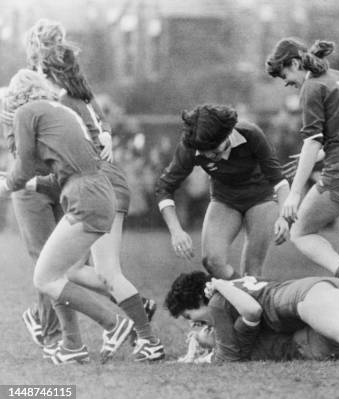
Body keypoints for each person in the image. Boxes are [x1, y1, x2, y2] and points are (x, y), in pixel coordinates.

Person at [17, 19, 163, 363]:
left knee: (75, 272)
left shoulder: (58, 103)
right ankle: (141, 328)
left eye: (37, 67)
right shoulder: (81, 95)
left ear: (45, 70)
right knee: (76, 270)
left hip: (97, 183)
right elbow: (99, 130)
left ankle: (126, 329)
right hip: (105, 181)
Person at [0, 69, 134, 364]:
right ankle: (73, 348)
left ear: (17, 96)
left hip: (85, 197)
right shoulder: (62, 112)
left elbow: (22, 167)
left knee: (45, 278)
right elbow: (59, 175)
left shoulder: (25, 112)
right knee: (53, 274)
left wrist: (7, 186)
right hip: (96, 193)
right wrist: (21, 182)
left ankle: (114, 324)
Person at [265, 38, 339, 282]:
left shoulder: (312, 86)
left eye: (285, 74)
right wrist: (315, 157)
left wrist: (294, 194)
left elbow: (313, 141)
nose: (287, 82)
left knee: (300, 232)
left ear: (295, 63)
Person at [165, 272, 339, 364]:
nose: (195, 324)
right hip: (312, 291)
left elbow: (252, 315)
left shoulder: (219, 301)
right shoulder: (233, 291)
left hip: (303, 302)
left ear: (198, 300)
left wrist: (220, 285)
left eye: (192, 317)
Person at [155, 104, 290, 279]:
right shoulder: (191, 146)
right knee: (212, 262)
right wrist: (176, 231)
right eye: (206, 152)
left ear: (228, 133)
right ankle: (244, 294)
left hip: (261, 198)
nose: (210, 156)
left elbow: (279, 181)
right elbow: (164, 187)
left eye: (215, 150)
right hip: (225, 199)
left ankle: (251, 296)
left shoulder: (250, 134)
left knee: (252, 272)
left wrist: (284, 217)